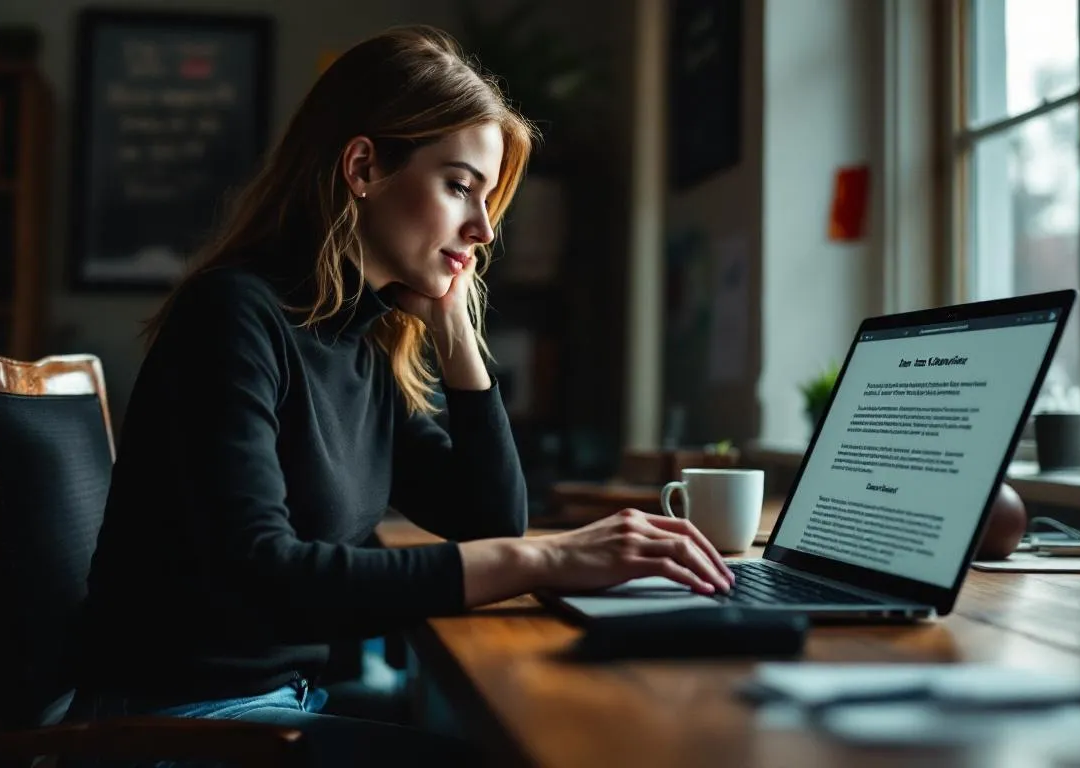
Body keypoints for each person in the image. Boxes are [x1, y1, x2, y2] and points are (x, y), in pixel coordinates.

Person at [65, 24, 735, 766]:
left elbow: (488, 521)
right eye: (459, 187)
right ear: (362, 166)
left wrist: (456, 339)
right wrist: (546, 560)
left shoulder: (359, 341)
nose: (482, 230)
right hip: (175, 725)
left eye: (487, 201)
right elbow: (266, 575)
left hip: (274, 708)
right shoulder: (233, 316)